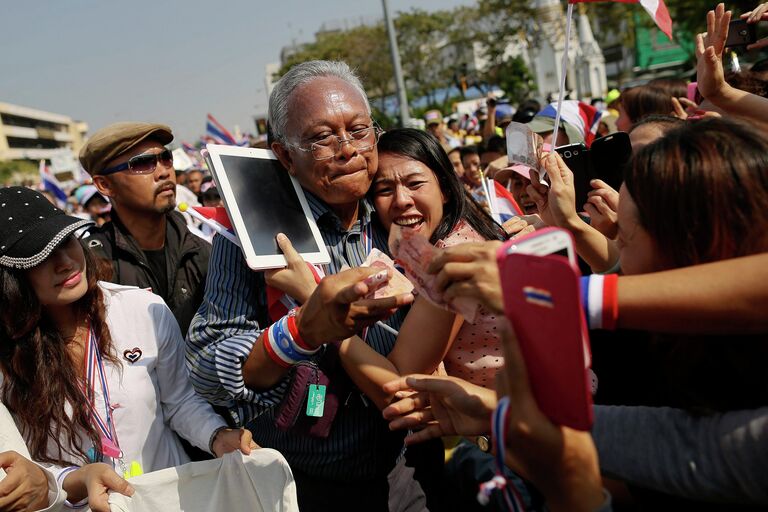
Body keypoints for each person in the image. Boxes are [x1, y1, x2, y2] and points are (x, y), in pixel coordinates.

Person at [186, 60, 427, 512]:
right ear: (284, 155)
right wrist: (300, 333)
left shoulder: (401, 207)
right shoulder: (253, 235)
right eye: (322, 138)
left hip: (404, 468)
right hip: (302, 484)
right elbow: (206, 363)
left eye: (359, 130)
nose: (347, 150)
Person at [0, 186, 255, 509]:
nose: (65, 262)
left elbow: (179, 402)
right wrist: (70, 481)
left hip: (170, 500)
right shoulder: (6, 355)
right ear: (10, 278)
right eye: (42, 256)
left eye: (65, 241)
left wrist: (217, 436)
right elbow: (17, 464)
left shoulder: (141, 308)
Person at [80, 122, 211, 333]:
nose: (163, 172)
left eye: (166, 159)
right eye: (142, 163)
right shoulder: (92, 266)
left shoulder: (203, 253)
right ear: (105, 185)